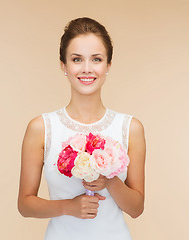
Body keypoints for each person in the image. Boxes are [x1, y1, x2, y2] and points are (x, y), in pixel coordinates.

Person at [18, 17, 146, 240]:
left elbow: (136, 209)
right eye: (77, 59)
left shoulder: (130, 128)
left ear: (108, 65)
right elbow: (25, 205)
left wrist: (109, 180)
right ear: (64, 66)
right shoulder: (41, 128)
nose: (87, 69)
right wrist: (69, 207)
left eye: (96, 59)